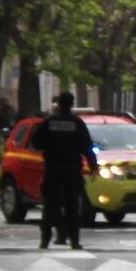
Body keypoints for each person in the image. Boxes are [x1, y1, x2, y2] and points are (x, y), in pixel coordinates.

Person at [28, 91, 93, 250]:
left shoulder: (48, 122)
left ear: (59, 104)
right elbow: (87, 146)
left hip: (53, 169)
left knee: (50, 205)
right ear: (71, 104)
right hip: (71, 170)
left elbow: (36, 143)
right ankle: (74, 241)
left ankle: (45, 240)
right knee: (72, 206)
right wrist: (94, 166)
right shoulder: (77, 123)